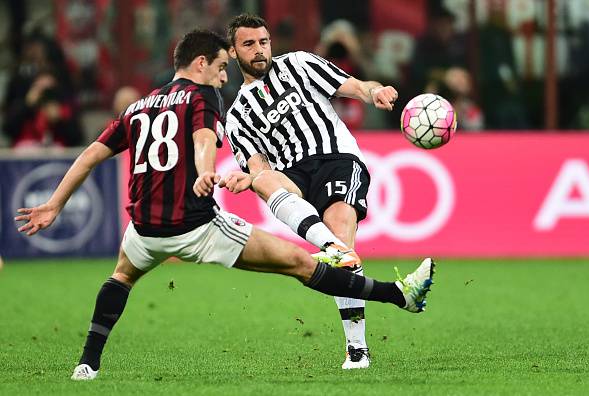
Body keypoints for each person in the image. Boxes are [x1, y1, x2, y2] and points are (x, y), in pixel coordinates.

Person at [14, 29, 435, 381]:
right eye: (219, 68)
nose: (221, 77)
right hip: (199, 228)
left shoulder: (137, 107)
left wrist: (54, 204)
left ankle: (87, 364)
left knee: (121, 277)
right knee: (302, 264)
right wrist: (204, 170)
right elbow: (203, 139)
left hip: (144, 229)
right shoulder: (204, 99)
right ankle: (398, 295)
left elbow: (90, 153)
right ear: (202, 63)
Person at [221, 14, 433, 369]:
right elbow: (258, 167)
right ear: (232, 51)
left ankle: (357, 350)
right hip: (292, 174)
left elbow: (355, 86)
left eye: (263, 42)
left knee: (341, 235)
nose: (259, 51)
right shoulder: (237, 117)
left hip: (336, 159)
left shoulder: (300, 64)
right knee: (263, 180)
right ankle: (335, 249)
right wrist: (249, 178)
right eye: (248, 44)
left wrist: (375, 91)